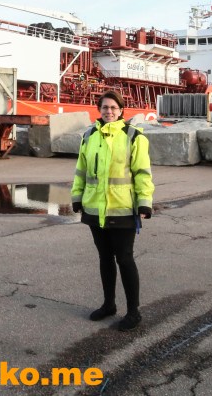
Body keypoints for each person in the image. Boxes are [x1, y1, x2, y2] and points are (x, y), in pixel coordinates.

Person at [71, 90, 154, 331]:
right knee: (104, 258)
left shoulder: (134, 136)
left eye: (114, 108)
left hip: (123, 209)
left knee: (125, 259)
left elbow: (143, 174)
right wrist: (77, 197)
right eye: (105, 107)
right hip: (95, 209)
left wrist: (144, 202)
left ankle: (133, 312)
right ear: (100, 110)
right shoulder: (89, 136)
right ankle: (109, 304)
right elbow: (81, 170)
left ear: (121, 111)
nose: (109, 111)